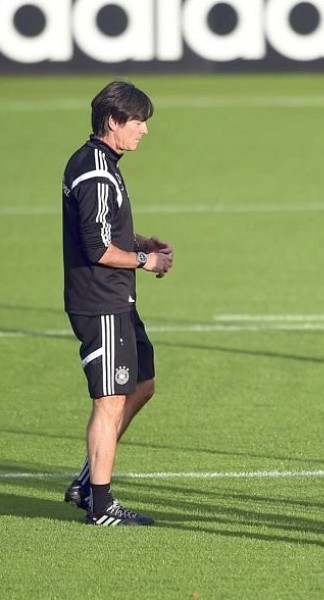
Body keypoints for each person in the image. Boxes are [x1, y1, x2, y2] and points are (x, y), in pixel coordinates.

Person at [61, 81, 173, 526]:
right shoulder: (94, 171)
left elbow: (106, 230)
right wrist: (144, 259)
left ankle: (88, 481)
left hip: (118, 299)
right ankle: (101, 506)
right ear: (114, 121)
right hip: (100, 302)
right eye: (138, 121)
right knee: (109, 401)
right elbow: (97, 247)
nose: (144, 130)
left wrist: (140, 240)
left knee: (141, 385)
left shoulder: (104, 161)